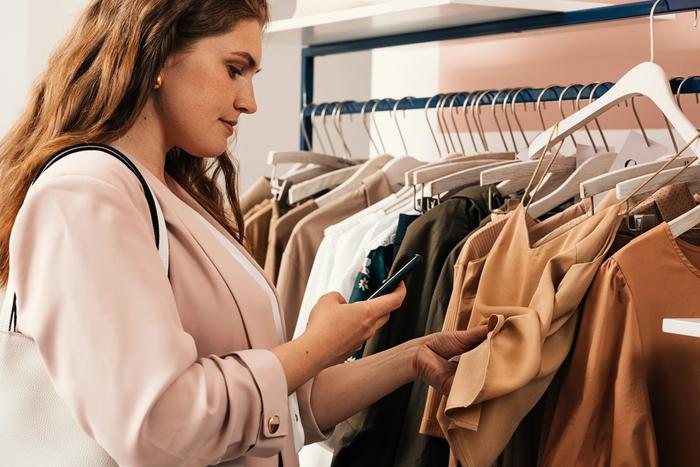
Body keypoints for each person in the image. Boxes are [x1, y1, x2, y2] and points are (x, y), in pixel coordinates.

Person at [0, 1, 487, 465]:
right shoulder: (87, 196)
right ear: (158, 54)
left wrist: (408, 359)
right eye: (235, 68)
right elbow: (158, 425)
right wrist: (317, 345)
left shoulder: (165, 193)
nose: (248, 102)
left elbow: (267, 419)